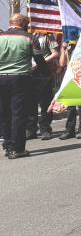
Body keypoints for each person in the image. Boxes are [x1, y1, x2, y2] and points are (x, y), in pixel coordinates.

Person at [0, 14, 46, 158]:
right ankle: (18, 148)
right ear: (24, 23)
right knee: (18, 114)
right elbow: (39, 60)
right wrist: (47, 74)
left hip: (1, 78)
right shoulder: (29, 38)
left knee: (4, 113)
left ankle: (7, 145)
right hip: (21, 79)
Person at [27, 32, 59, 140]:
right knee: (30, 103)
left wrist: (40, 62)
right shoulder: (28, 35)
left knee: (45, 102)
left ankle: (45, 129)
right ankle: (31, 129)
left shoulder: (48, 36)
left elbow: (55, 53)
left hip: (43, 72)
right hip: (29, 72)